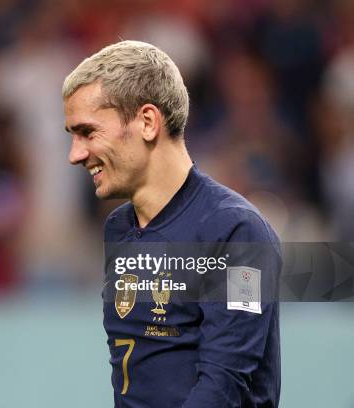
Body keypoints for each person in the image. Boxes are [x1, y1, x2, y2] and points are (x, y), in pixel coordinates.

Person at [63, 40, 280, 407]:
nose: (75, 155)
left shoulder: (238, 234)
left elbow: (222, 387)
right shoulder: (119, 229)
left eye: (88, 132)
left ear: (147, 122)